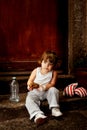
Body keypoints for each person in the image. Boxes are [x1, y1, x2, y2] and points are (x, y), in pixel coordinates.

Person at [25, 50, 62, 125]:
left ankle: (55, 109)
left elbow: (52, 84)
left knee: (54, 90)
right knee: (29, 99)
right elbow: (30, 80)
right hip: (35, 92)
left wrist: (44, 87)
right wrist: (29, 85)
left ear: (54, 65)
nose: (47, 65)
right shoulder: (36, 70)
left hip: (46, 92)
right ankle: (37, 114)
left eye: (50, 64)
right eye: (45, 62)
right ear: (41, 61)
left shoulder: (54, 73)